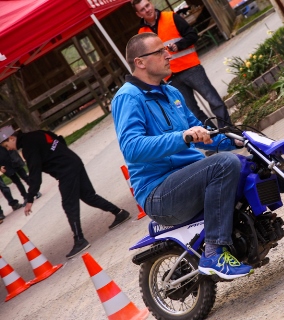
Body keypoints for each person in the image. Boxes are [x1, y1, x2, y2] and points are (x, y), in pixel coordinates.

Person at [111, 32, 252, 279]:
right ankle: (214, 253)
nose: (168, 55)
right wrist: (182, 137)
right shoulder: (128, 97)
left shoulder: (172, 93)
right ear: (140, 62)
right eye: (159, 51)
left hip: (189, 178)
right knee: (225, 164)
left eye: (166, 49)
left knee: (253, 165)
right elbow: (132, 148)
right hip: (159, 192)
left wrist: (240, 139)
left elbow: (204, 134)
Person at [0, 126, 131, 259]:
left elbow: (35, 174)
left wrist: (30, 199)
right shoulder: (38, 133)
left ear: (12, 138)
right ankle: (120, 213)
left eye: (6, 145)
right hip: (74, 161)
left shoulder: (28, 147)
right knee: (88, 196)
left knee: (69, 204)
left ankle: (80, 240)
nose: (8, 148)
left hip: (66, 171)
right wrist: (60, 155)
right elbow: (59, 140)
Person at [131, 0, 232, 128]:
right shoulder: (142, 35)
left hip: (191, 68)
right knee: (192, 112)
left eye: (147, 5)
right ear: (138, 14)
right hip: (170, 78)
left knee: (214, 101)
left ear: (151, 4)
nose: (147, 10)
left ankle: (229, 130)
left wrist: (178, 46)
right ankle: (214, 138)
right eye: (142, 9)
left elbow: (192, 35)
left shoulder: (172, 17)